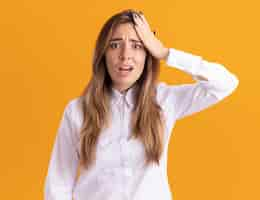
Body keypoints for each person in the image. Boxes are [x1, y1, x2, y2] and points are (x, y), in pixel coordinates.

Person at [44, 9, 239, 200]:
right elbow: (58, 183)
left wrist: (165, 53)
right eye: (114, 45)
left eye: (137, 45)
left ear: (147, 54)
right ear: (102, 54)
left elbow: (225, 83)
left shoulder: (164, 101)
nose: (125, 55)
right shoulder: (77, 110)